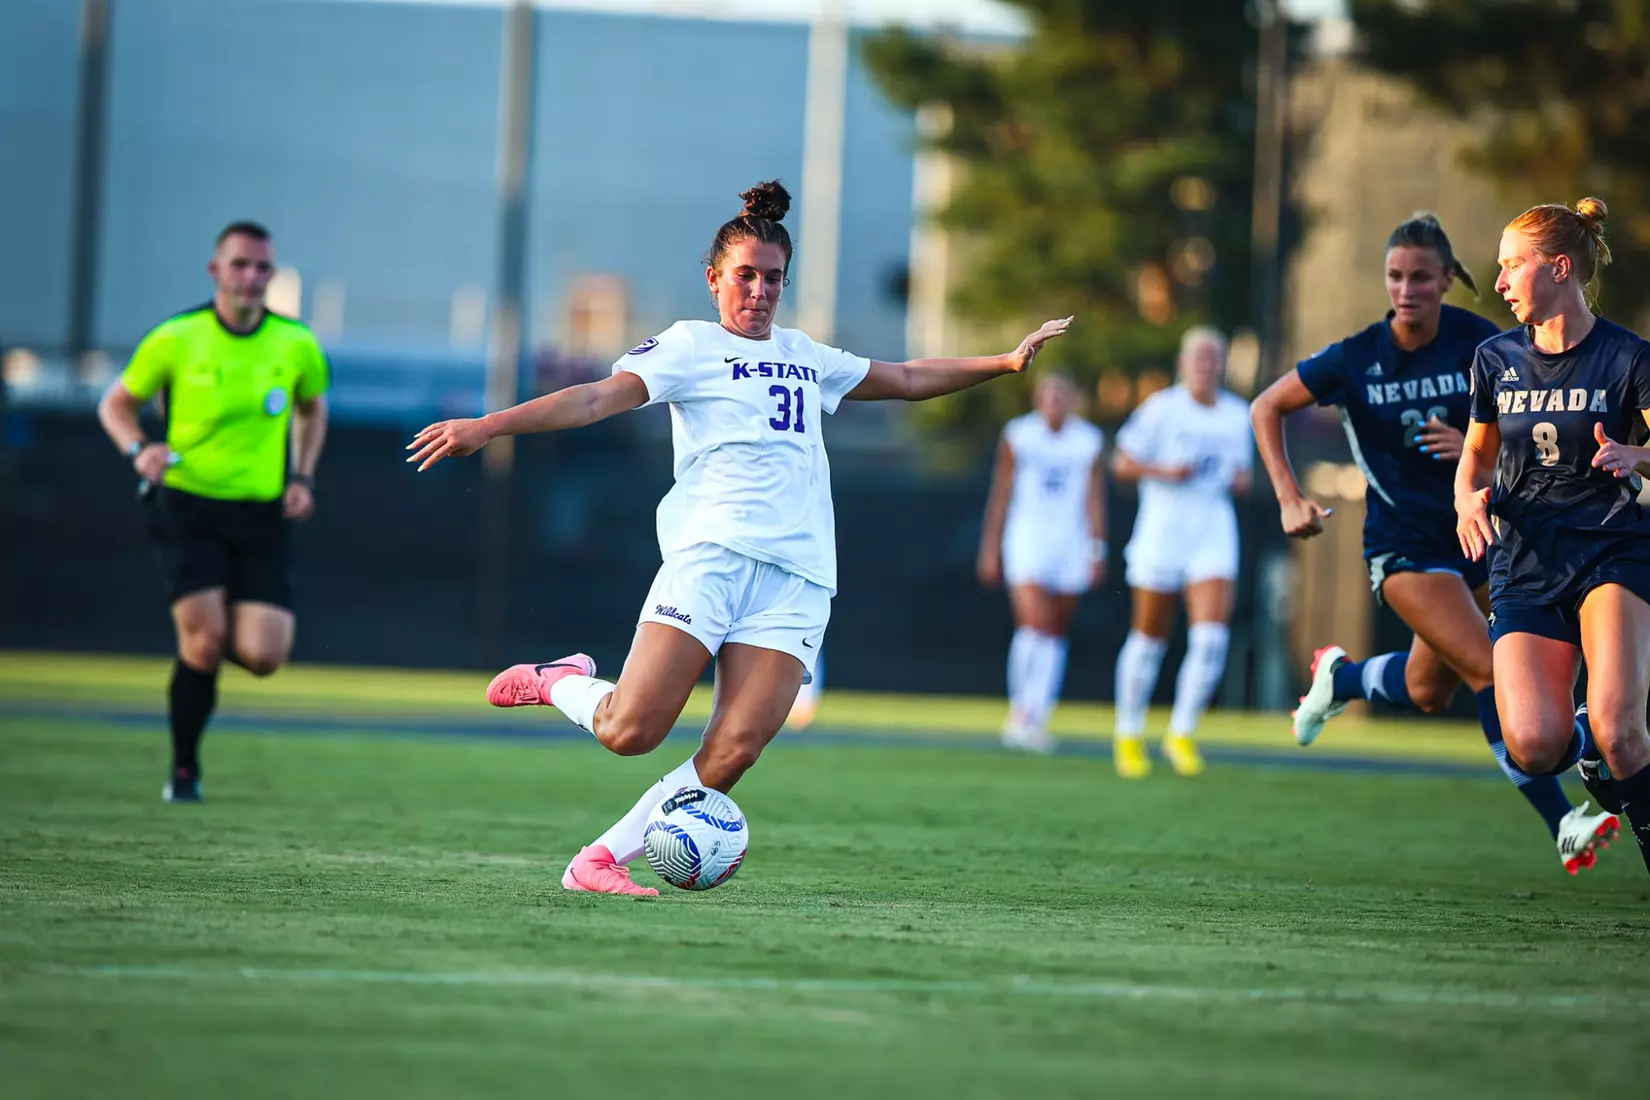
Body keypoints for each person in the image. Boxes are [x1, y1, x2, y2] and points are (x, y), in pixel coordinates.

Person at [406, 181, 1072, 895]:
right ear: (713, 278)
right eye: (745, 276)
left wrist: (1003, 363)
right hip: (712, 560)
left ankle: (598, 859)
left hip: (798, 578)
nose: (759, 292)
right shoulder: (689, 345)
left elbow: (905, 377)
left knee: (734, 750)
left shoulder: (806, 354)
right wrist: (489, 425)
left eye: (773, 278)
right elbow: (597, 397)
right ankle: (559, 680)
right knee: (631, 731)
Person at [1253, 211, 1617, 874]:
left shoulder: (1482, 343)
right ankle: (1564, 820)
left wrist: (1476, 451)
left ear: (1448, 279)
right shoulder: (1357, 357)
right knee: (1489, 670)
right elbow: (1265, 406)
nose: (1406, 289)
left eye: (1421, 276)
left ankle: (1343, 678)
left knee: (1426, 690)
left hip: (1479, 541)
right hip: (1404, 550)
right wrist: (1287, 497)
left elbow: (1534, 429)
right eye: (1395, 276)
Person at [96, 221, 330, 803]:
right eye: (239, 264)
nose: (251, 276)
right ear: (215, 270)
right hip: (187, 504)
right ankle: (183, 773)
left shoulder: (295, 342)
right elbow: (116, 405)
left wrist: (302, 477)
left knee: (264, 655)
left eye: (261, 267)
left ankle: (213, 628)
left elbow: (313, 409)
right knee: (203, 645)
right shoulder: (177, 336)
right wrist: (139, 450)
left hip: (260, 513)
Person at [1458, 197, 1649, 876]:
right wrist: (1465, 498)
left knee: (1623, 732)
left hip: (1610, 550)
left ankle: (1611, 755)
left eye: (1514, 265)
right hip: (1526, 561)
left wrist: (1637, 456)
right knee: (1535, 746)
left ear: (1560, 268)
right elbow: (1475, 455)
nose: (1500, 281)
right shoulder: (1494, 358)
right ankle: (1586, 750)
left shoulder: (1628, 356)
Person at [1108, 327, 1252, 779]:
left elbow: (1243, 476)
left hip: (1212, 531)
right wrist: (1164, 471)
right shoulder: (1161, 408)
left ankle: (1182, 732)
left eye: (1213, 358)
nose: (1206, 366)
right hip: (1163, 531)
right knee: (1149, 636)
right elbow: (1121, 463)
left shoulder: (1237, 414)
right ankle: (1129, 732)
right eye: (1199, 357)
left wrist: (1239, 481)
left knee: (1211, 638)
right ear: (1183, 363)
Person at [976, 373, 1106, 753]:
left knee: (1056, 630)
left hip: (1070, 540)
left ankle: (1039, 712)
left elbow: (1094, 498)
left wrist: (1097, 549)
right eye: (1048, 395)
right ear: (1037, 400)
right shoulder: (1020, 435)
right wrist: (991, 546)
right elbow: (1001, 491)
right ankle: (1022, 712)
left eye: (1061, 395)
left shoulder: (1088, 440)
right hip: (1027, 537)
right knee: (1035, 622)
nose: (1055, 402)